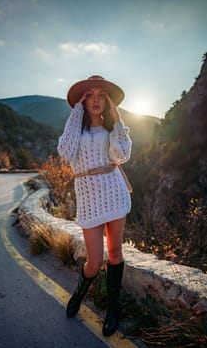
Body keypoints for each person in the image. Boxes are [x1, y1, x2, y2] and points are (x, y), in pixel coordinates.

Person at [57, 75, 132, 337]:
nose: (97, 100)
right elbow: (65, 152)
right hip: (89, 200)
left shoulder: (113, 129)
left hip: (114, 194)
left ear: (108, 100)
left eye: (102, 95)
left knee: (115, 254)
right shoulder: (76, 130)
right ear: (83, 100)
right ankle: (79, 294)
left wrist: (117, 119)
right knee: (94, 261)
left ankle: (113, 309)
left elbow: (120, 156)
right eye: (91, 95)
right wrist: (76, 112)